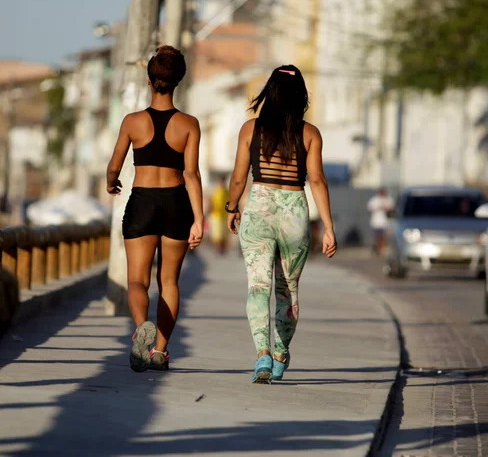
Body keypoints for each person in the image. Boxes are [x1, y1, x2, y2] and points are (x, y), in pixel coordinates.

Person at [226, 65, 337, 384]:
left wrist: (232, 208)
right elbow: (316, 179)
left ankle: (261, 354)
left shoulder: (251, 129)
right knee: (288, 291)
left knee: (258, 287)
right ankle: (279, 352)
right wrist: (328, 227)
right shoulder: (310, 133)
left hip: (259, 209)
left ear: (269, 93)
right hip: (294, 214)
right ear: (301, 96)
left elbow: (238, 177)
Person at [106, 45, 204, 373]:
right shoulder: (189, 124)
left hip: (143, 201)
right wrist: (199, 218)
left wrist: (111, 182)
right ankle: (160, 351)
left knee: (137, 279)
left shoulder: (133, 122)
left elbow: (114, 166)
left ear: (150, 80)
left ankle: (139, 328)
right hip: (177, 203)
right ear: (178, 81)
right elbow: (191, 174)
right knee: (170, 282)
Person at [367, 188, 394, 256]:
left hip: (385, 222)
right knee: (377, 237)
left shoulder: (388, 199)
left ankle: (382, 249)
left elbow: (390, 208)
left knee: (383, 236)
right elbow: (370, 207)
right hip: (376, 222)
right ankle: (378, 248)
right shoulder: (374, 199)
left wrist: (385, 208)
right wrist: (378, 207)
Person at [209, 175, 230, 255]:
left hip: (225, 215)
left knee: (224, 235)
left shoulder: (227, 191)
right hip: (216, 215)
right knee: (216, 234)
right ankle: (218, 248)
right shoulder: (215, 191)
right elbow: (211, 201)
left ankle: (222, 249)